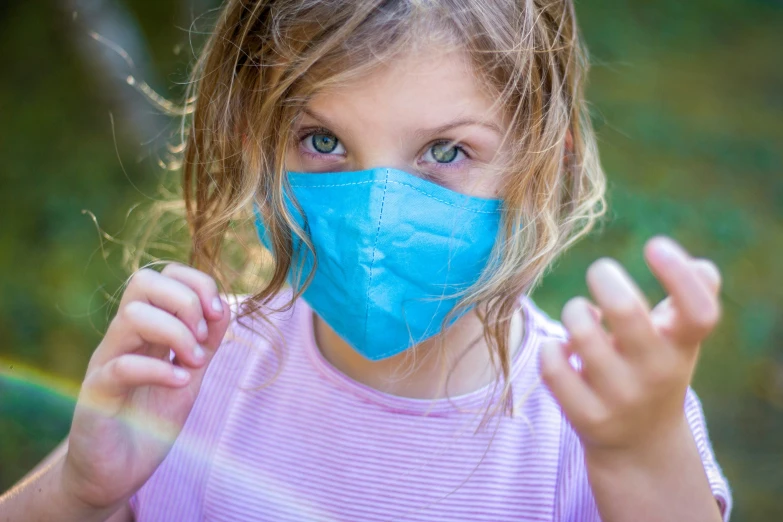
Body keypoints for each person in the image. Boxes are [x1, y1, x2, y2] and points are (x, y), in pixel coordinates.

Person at [0, 1, 732, 520]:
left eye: (445, 152)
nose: (378, 215)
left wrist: (641, 459)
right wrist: (78, 491)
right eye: (322, 142)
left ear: (542, 161)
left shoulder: (601, 421)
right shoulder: (194, 373)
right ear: (255, 143)